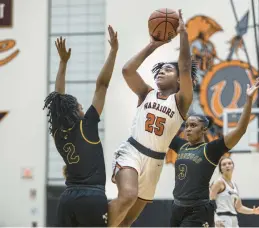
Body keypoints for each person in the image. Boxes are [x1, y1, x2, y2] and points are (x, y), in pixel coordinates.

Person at [108, 10, 197, 227]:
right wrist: (153, 45)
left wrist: (183, 35)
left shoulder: (181, 101)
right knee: (127, 196)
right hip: (132, 151)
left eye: (167, 69)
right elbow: (127, 70)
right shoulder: (145, 93)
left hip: (155, 162)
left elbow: (185, 67)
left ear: (178, 81)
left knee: (126, 221)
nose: (160, 72)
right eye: (159, 70)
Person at [43, 25, 118, 227]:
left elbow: (57, 99)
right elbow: (102, 85)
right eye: (79, 106)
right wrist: (113, 52)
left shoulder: (58, 133)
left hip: (67, 199)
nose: (83, 107)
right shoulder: (88, 126)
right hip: (91, 197)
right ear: (74, 111)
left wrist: (62, 63)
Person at [168, 77, 259, 227]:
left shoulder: (210, 150)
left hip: (198, 210)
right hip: (177, 207)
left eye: (193, 125)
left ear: (204, 129)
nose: (188, 129)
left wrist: (249, 99)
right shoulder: (181, 145)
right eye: (186, 126)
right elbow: (162, 130)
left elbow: (240, 130)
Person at [210, 156, 259, 227]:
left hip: (233, 218)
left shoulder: (234, 185)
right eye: (224, 164)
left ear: (233, 166)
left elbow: (239, 207)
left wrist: (253, 211)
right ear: (221, 169)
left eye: (229, 163)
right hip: (222, 217)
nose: (227, 165)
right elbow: (209, 202)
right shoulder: (219, 182)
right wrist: (216, 219)